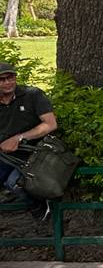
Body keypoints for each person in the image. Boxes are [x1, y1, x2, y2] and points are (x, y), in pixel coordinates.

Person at [0, 62, 57, 220]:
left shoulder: (32, 95)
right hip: (5, 155)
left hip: (34, 152)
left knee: (15, 182)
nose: (7, 82)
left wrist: (20, 138)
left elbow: (50, 124)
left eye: (10, 77)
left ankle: (41, 208)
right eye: (2, 79)